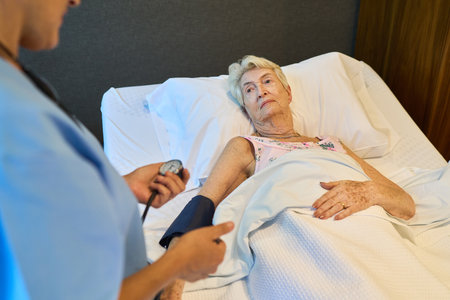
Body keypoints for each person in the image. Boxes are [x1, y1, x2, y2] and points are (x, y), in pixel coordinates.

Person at [0, 0, 234, 299]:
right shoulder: (13, 116)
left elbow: (46, 201)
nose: (75, 1)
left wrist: (118, 187)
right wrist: (177, 263)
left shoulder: (17, 82)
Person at [158, 54, 416, 297]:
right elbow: (203, 205)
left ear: (288, 93)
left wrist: (366, 191)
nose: (261, 91)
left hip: (366, 228)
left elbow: (404, 202)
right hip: (299, 231)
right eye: (249, 90)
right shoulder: (246, 146)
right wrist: (172, 280)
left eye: (267, 81)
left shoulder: (332, 144)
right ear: (246, 108)